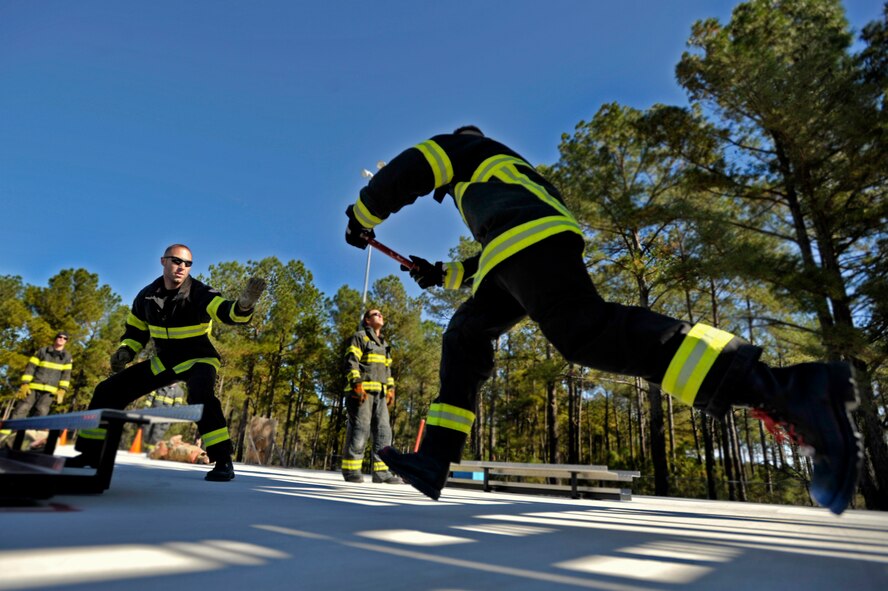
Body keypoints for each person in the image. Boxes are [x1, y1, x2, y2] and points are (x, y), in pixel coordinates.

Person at [344, 125, 863, 515]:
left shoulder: (469, 150)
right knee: (464, 334)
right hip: (515, 251)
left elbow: (416, 165)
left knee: (586, 333)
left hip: (527, 241)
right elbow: (496, 257)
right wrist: (443, 273)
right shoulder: (506, 186)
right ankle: (435, 458)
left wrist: (363, 214)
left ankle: (785, 389)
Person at [68, 244, 266, 482]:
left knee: (201, 395)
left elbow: (225, 311)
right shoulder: (146, 297)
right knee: (107, 390)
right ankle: (90, 453)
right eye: (176, 261)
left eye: (187, 263)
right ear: (163, 261)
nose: (182, 267)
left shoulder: (200, 292)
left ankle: (223, 460)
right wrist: (126, 351)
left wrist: (243, 306)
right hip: (165, 361)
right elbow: (135, 330)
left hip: (198, 357)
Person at [340, 308, 402, 484]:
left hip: (380, 395)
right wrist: (356, 383)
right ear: (367, 320)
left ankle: (381, 473)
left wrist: (390, 388)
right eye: (375, 314)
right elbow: (351, 361)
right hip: (362, 393)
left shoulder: (384, 344)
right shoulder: (360, 337)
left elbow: (387, 369)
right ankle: (351, 471)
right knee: (361, 429)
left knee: (384, 431)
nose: (380, 315)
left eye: (381, 314)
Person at [10, 332, 73, 418]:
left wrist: (63, 389)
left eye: (65, 338)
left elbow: (66, 374)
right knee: (22, 408)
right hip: (33, 387)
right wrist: (25, 383)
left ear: (66, 341)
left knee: (42, 411)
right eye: (60, 337)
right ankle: (13, 425)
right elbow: (31, 367)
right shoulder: (42, 351)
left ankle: (34, 427)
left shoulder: (67, 357)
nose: (62, 339)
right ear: (55, 338)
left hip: (50, 390)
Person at [141, 382, 186, 448]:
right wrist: (146, 408)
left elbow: (177, 406)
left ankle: (151, 449)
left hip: (165, 417)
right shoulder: (159, 386)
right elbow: (150, 397)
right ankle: (143, 447)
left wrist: (171, 417)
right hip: (152, 413)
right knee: (146, 431)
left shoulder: (179, 391)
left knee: (157, 434)